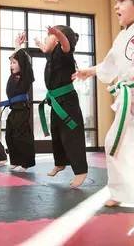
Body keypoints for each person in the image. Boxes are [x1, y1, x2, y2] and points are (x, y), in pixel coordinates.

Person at [73, 0, 134, 214]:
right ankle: (123, 192)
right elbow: (110, 64)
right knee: (114, 143)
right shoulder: (125, 34)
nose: (116, 6)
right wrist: (90, 71)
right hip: (128, 100)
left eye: (121, 1)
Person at [35, 25, 88, 187]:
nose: (45, 38)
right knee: (57, 135)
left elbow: (66, 46)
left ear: (57, 40)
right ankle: (60, 162)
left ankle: (81, 171)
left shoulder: (64, 53)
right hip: (56, 101)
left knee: (71, 136)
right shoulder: (52, 56)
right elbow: (46, 49)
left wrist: (57, 33)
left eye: (48, 36)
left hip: (67, 102)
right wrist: (40, 45)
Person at [6, 33, 36, 172]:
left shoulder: (26, 76)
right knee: (10, 135)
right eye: (11, 63)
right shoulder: (13, 77)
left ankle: (26, 162)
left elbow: (24, 62)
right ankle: (15, 160)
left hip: (22, 109)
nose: (12, 65)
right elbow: (17, 59)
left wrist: (18, 47)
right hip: (13, 109)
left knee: (21, 136)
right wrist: (15, 48)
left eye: (14, 62)